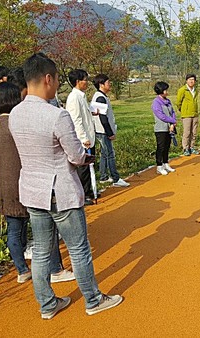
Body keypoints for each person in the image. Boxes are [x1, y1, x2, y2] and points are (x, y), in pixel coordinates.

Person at [9, 53, 122, 319]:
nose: (57, 83)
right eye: (57, 79)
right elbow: (75, 156)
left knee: (40, 250)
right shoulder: (56, 115)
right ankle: (93, 300)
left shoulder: (15, 113)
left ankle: (47, 305)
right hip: (60, 191)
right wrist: (86, 157)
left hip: (32, 191)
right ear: (48, 78)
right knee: (78, 248)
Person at [0, 82, 75, 285]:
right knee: (45, 227)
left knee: (14, 229)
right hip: (23, 180)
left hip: (2, 184)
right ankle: (55, 269)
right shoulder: (15, 122)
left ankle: (21, 269)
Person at [91, 74, 129, 187]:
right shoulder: (100, 98)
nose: (110, 84)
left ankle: (103, 176)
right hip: (103, 131)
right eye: (108, 82)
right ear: (101, 84)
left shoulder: (101, 96)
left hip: (101, 130)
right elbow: (103, 117)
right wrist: (110, 133)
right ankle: (115, 178)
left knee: (104, 154)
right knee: (110, 154)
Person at [65, 69, 97, 205]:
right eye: (85, 80)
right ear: (78, 82)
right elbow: (75, 119)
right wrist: (83, 138)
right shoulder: (74, 98)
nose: (87, 83)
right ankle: (83, 195)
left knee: (89, 166)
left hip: (89, 136)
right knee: (83, 169)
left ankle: (90, 191)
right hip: (83, 140)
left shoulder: (81, 96)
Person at [151, 81, 177, 175]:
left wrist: (173, 123)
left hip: (169, 127)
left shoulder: (168, 101)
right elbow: (161, 116)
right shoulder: (156, 102)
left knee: (167, 146)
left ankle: (166, 163)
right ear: (161, 90)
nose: (167, 91)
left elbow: (172, 112)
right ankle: (159, 166)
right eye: (166, 89)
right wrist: (172, 121)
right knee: (161, 147)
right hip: (160, 128)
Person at [175, 73, 199, 156]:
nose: (191, 81)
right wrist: (182, 110)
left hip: (195, 114)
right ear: (186, 80)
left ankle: (192, 147)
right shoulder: (182, 90)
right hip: (186, 114)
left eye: (193, 79)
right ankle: (185, 148)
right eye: (190, 79)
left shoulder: (195, 90)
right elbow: (178, 102)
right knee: (187, 132)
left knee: (194, 132)